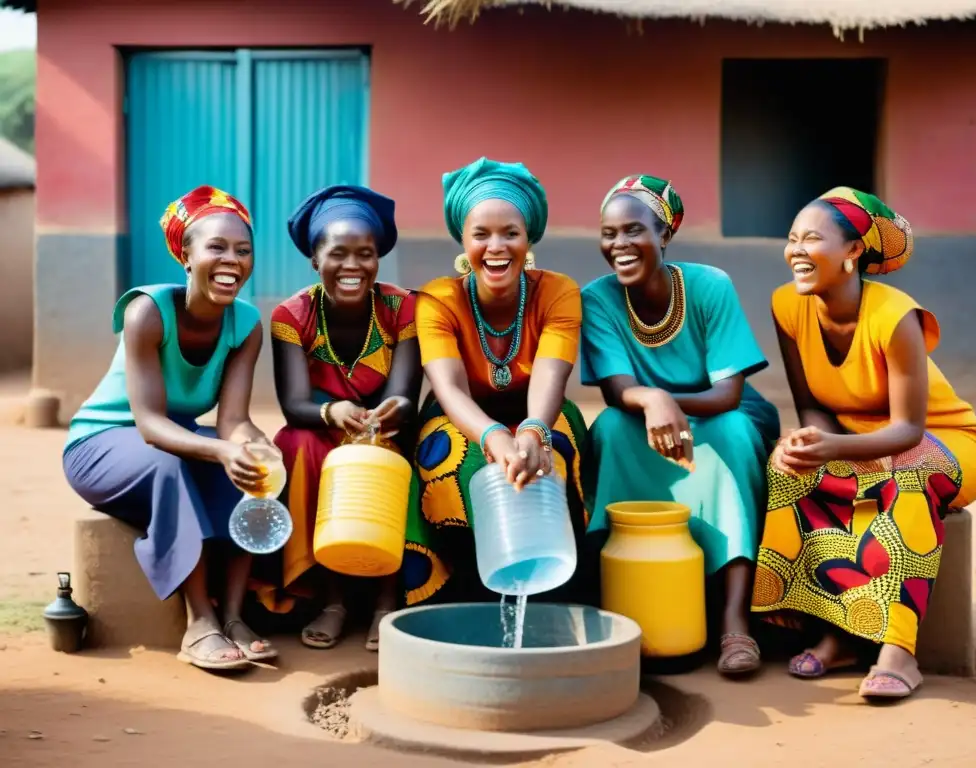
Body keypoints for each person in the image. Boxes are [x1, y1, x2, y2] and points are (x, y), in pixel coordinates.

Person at [751, 187, 976, 699]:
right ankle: (836, 633)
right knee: (787, 465)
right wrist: (811, 441)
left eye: (812, 238)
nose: (796, 250)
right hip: (857, 437)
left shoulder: (896, 316)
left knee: (908, 472)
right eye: (792, 238)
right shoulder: (787, 305)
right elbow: (811, 404)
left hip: (945, 442)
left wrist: (835, 449)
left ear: (853, 252)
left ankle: (899, 651)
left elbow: (909, 429)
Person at [63, 186, 277, 671]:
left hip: (172, 441)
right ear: (187, 255)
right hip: (101, 445)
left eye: (243, 251)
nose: (232, 260)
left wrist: (253, 447)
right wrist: (222, 451)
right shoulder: (148, 312)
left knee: (258, 469)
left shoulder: (245, 324)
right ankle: (199, 621)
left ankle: (236, 616)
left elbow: (233, 421)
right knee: (171, 463)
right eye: (216, 248)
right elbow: (152, 426)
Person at [580, 175, 780, 676]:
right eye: (608, 233)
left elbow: (728, 394)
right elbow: (614, 391)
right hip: (640, 417)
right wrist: (653, 400)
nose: (619, 245)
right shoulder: (599, 298)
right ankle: (621, 602)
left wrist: (669, 402)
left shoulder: (710, 286)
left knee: (732, 435)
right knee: (607, 429)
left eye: (634, 230)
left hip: (720, 413)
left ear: (664, 234)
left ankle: (735, 621)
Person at [402, 157, 589, 606]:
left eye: (511, 233)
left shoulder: (558, 292)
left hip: (540, 408)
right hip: (460, 413)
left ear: (529, 239)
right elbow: (448, 388)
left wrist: (532, 431)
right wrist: (491, 436)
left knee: (554, 454)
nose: (496, 247)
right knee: (452, 460)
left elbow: (551, 373)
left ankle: (555, 592)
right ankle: (463, 591)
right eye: (480, 235)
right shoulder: (437, 299)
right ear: (462, 242)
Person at [256, 185, 420, 651]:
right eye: (338, 253)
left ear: (378, 259)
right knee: (296, 442)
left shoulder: (403, 307)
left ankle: (386, 602)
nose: (353, 266)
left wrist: (391, 415)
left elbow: (406, 394)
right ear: (315, 259)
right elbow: (294, 404)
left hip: (386, 431)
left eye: (365, 254)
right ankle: (332, 600)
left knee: (394, 450)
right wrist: (333, 410)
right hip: (325, 432)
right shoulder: (292, 314)